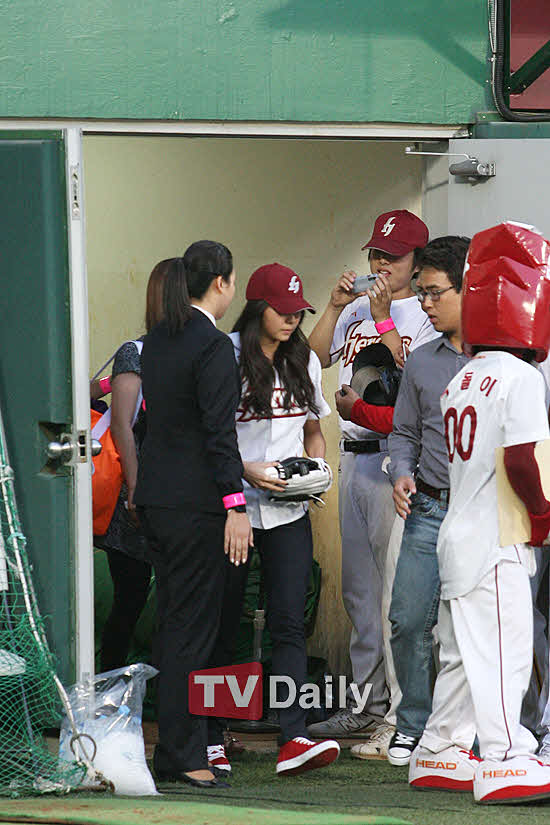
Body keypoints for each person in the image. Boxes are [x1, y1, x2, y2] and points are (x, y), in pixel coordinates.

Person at [408, 222, 550, 804]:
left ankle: (439, 749)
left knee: (464, 656)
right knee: (503, 651)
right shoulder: (521, 376)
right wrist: (543, 518)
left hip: (457, 528)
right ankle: (507, 756)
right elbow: (523, 460)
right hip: (496, 536)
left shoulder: (463, 376)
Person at [308, 210, 437, 747]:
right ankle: (367, 706)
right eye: (376, 253)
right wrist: (336, 305)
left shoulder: (426, 311)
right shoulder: (356, 306)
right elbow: (313, 359)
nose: (382, 263)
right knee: (359, 594)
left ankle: (402, 720)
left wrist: (384, 319)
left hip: (394, 460)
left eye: (393, 255)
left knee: (394, 598)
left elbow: (413, 383)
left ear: (416, 263)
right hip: (353, 455)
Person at [208, 263, 340, 777]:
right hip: (233, 508)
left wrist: (317, 468)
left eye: (298, 311)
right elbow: (212, 437)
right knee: (224, 622)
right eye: (282, 311)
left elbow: (313, 429)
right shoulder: (226, 355)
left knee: (289, 621)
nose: (291, 319)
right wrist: (246, 472)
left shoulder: (304, 358)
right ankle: (212, 736)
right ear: (257, 308)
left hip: (288, 508)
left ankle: (293, 735)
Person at [134, 243, 253, 789]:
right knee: (193, 629)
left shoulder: (157, 339)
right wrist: (235, 504)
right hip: (195, 504)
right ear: (221, 283)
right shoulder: (212, 345)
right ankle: (184, 753)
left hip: (157, 498)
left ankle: (170, 746)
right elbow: (218, 433)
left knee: (172, 624)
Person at [384, 236, 470, 765]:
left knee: (481, 628)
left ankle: (488, 732)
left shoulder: (510, 362)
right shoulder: (420, 362)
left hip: (485, 513)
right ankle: (412, 723)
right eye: (422, 294)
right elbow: (405, 434)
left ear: (469, 289)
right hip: (429, 507)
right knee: (408, 619)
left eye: (436, 293)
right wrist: (400, 473)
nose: (426, 304)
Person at [93, 258, 172, 672]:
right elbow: (123, 425)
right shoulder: (136, 352)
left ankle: (165, 691)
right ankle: (111, 689)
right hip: (135, 497)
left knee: (174, 605)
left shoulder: (205, 351)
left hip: (180, 495)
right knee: (131, 599)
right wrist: (135, 488)